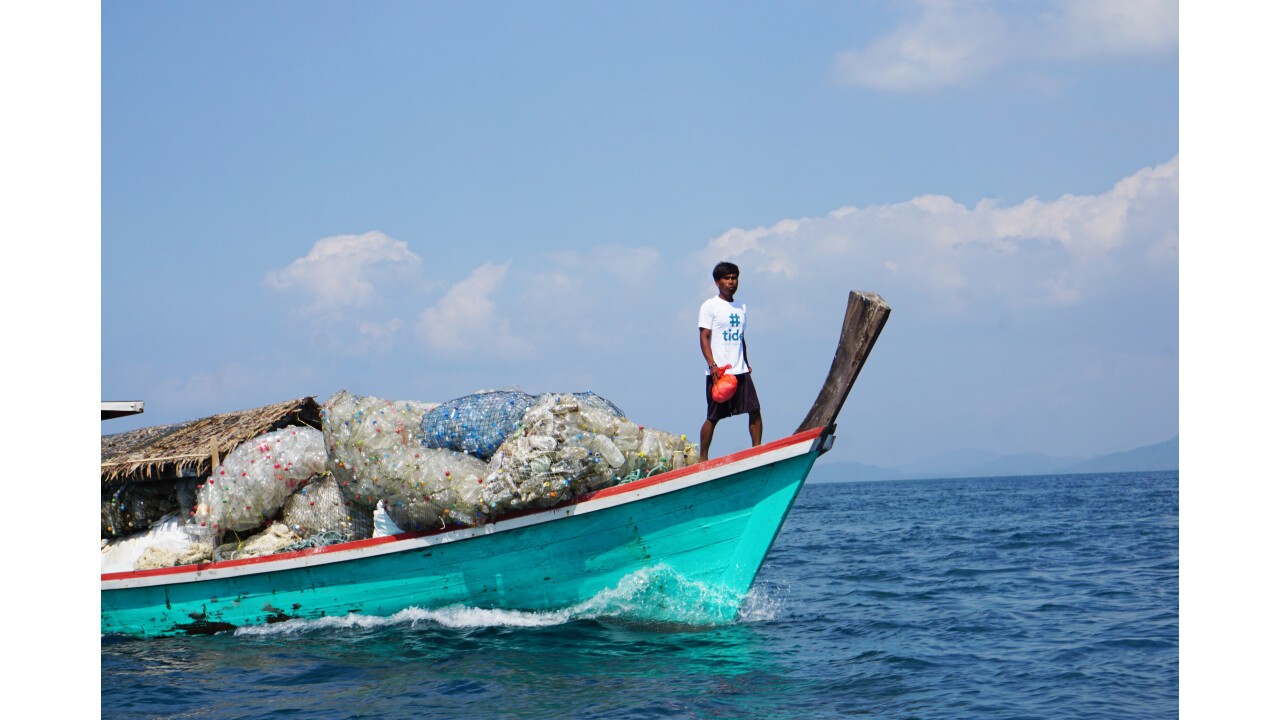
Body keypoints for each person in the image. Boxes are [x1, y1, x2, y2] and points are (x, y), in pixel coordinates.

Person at [698, 261, 762, 462]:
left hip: (740, 369)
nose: (731, 282)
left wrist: (747, 362)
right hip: (720, 372)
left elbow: (741, 338)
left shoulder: (741, 306)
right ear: (717, 282)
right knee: (713, 417)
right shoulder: (710, 306)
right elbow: (704, 338)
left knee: (754, 410)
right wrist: (712, 364)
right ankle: (703, 458)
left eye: (734, 278)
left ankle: (757, 451)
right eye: (727, 278)